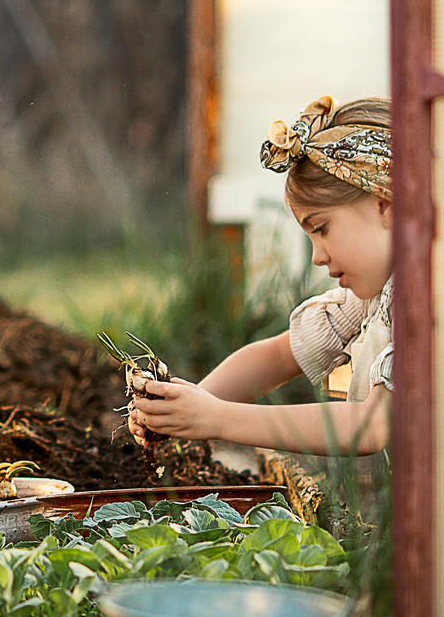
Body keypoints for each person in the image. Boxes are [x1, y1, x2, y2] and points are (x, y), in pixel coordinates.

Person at [128, 97, 395, 458]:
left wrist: (217, 418)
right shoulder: (372, 297)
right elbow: (280, 355)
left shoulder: (425, 296)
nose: (317, 256)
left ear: (386, 205)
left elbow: (369, 427)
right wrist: (182, 406)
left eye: (322, 228)